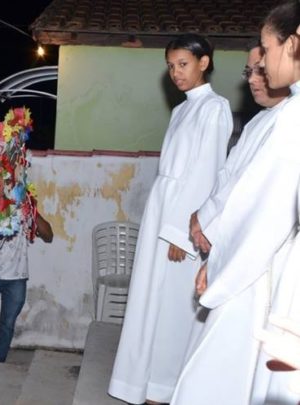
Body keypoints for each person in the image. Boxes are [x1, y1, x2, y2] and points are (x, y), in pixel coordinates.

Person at [108, 33, 232, 404]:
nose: (176, 73)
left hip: (180, 222)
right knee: (148, 300)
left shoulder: (215, 107)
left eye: (183, 64)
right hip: (162, 210)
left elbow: (207, 172)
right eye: (171, 66)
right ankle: (141, 384)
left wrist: (182, 232)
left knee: (172, 309)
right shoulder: (181, 110)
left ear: (203, 63)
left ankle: (165, 388)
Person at [171, 39, 292, 405]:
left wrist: (217, 253)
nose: (255, 79)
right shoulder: (260, 122)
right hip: (230, 247)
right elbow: (227, 182)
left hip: (256, 263)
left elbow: (257, 203)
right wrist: (204, 222)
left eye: (261, 67)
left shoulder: (287, 121)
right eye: (249, 71)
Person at [0, 210, 53, 376]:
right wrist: (0, 226)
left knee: (7, 325)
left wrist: (33, 212)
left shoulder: (27, 209)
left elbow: (48, 236)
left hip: (17, 277)